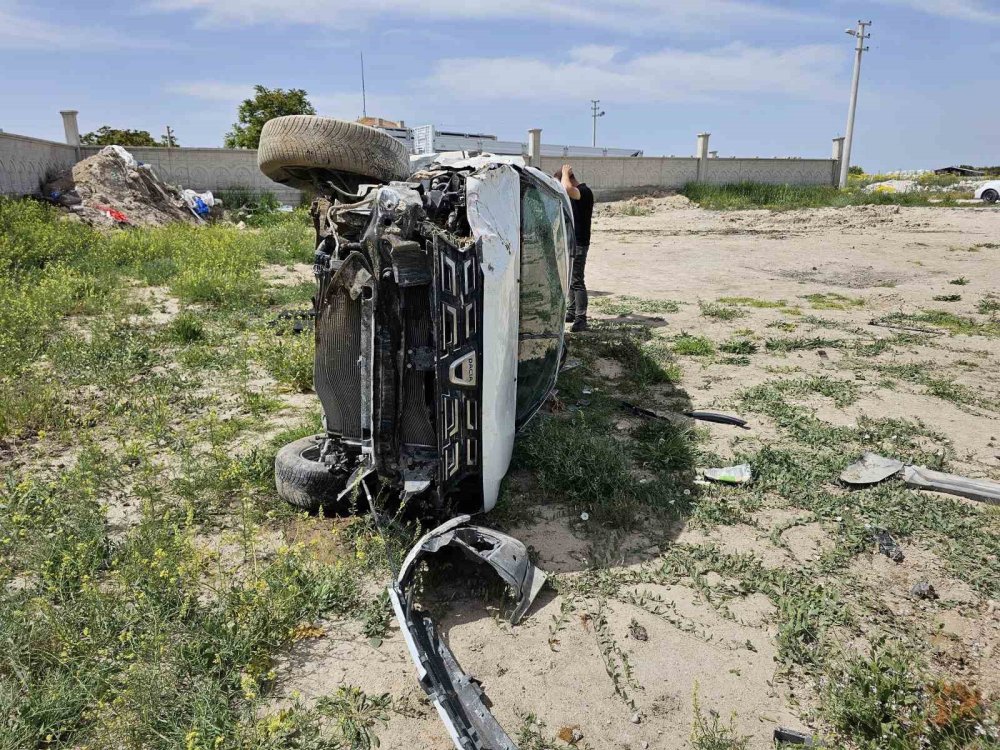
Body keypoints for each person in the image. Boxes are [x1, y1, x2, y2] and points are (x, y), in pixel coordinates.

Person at [556, 164, 594, 332]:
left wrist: (564, 172)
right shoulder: (574, 193)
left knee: (577, 280)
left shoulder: (584, 191)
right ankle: (571, 312)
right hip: (571, 241)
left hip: (579, 242)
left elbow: (567, 188)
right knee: (570, 278)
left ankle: (581, 318)